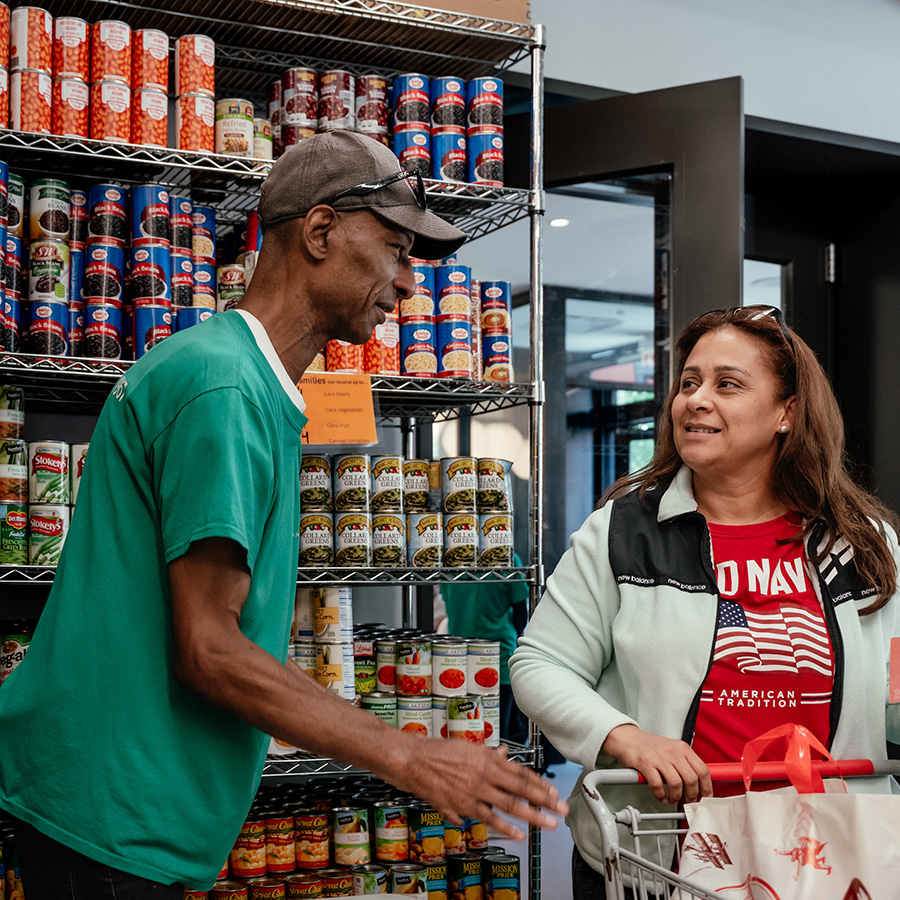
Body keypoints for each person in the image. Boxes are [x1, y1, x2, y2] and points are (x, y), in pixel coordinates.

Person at [0, 131, 566, 899]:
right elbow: (209, 649)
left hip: (118, 807)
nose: (406, 284)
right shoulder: (223, 389)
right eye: (396, 249)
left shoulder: (241, 383)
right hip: (109, 819)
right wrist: (409, 754)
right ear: (322, 232)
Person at [509, 305, 900, 899]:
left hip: (826, 855)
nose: (695, 399)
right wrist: (626, 738)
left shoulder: (862, 540)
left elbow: (895, 687)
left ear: (786, 413)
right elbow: (539, 665)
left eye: (728, 384)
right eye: (688, 382)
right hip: (653, 858)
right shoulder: (621, 532)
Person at [441, 551, 530, 745]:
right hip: (498, 657)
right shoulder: (507, 558)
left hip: (457, 657)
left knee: (461, 729)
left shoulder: (449, 559)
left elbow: (447, 599)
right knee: (497, 735)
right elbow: (521, 611)